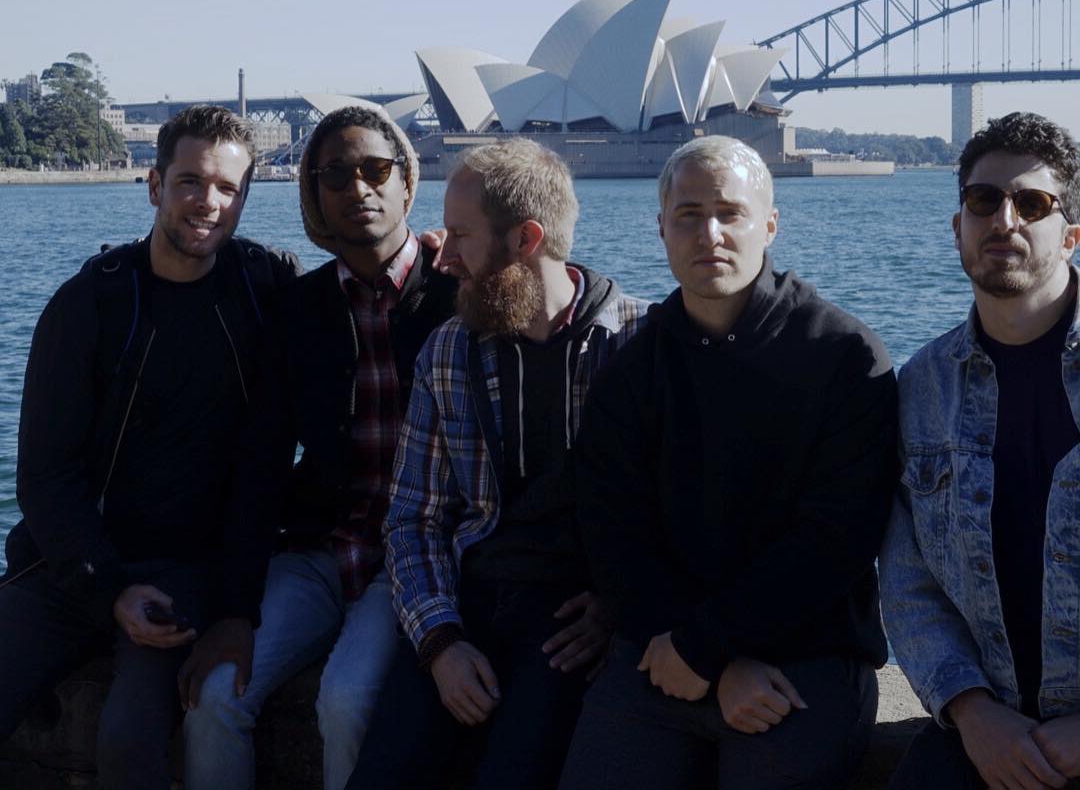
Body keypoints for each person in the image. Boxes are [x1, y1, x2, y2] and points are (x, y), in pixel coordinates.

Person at [559, 134, 898, 790]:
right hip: (659, 649)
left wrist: (709, 646)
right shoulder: (633, 369)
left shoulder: (844, 356)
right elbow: (611, 530)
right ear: (661, 229)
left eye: (730, 213)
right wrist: (696, 651)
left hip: (805, 659)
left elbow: (839, 539)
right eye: (688, 215)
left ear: (768, 224)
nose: (709, 232)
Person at [0, 105, 300, 789]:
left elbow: (357, 302)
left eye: (229, 188)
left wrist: (437, 257)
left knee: (132, 741)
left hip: (185, 571)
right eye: (190, 181)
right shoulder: (91, 304)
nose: (209, 203)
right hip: (72, 562)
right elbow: (45, 475)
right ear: (154, 184)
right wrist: (106, 588)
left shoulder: (264, 289)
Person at [346, 137, 648, 790]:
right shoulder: (450, 350)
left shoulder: (636, 348)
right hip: (468, 603)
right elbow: (412, 519)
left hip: (572, 622)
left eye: (460, 236)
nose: (442, 257)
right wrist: (440, 642)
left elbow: (674, 515)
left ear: (526, 240)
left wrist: (616, 605)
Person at [180, 105, 457, 790]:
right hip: (319, 550)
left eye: (376, 170)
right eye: (335, 175)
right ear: (316, 196)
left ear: (407, 185)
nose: (357, 188)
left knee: (347, 700)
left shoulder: (460, 295)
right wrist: (234, 613)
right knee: (216, 694)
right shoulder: (297, 310)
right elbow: (260, 464)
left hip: (413, 559)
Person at [880, 111, 1080, 790]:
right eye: (983, 200)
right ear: (958, 226)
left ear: (1072, 234)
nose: (1005, 220)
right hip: (986, 721)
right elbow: (907, 580)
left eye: (1033, 203)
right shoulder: (922, 386)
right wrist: (970, 712)